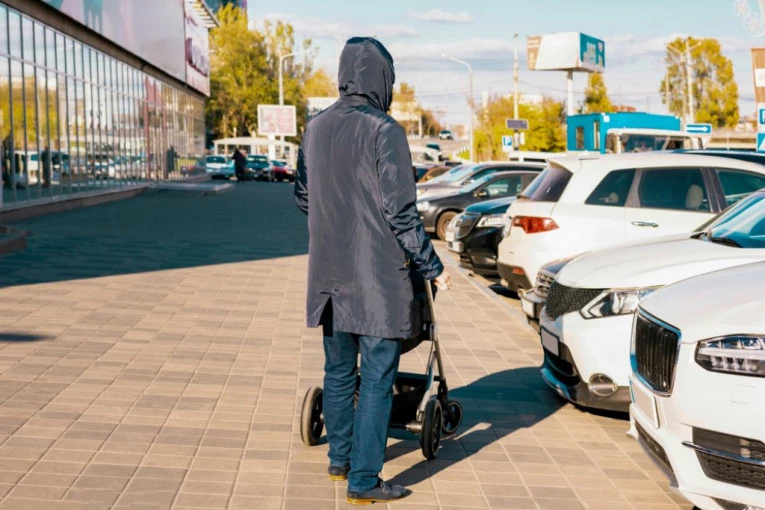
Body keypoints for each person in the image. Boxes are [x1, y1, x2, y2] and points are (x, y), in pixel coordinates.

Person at [294, 37, 451, 505]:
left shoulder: (315, 128)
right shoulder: (386, 131)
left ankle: (339, 461)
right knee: (378, 378)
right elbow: (401, 212)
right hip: (378, 281)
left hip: (328, 276)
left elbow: (303, 196)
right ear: (382, 78)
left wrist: (334, 221)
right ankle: (364, 480)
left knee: (339, 372)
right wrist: (433, 266)